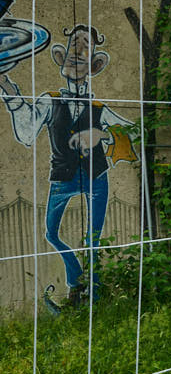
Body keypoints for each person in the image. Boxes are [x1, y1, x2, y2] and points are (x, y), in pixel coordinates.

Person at [0, 25, 134, 306]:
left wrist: (103, 134)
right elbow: (26, 132)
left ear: (94, 65)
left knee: (93, 239)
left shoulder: (98, 107)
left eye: (85, 46)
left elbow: (134, 131)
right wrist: (10, 91)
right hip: (62, 177)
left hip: (97, 176)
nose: (77, 51)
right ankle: (76, 278)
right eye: (74, 44)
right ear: (61, 59)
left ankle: (91, 296)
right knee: (51, 233)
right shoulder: (50, 100)